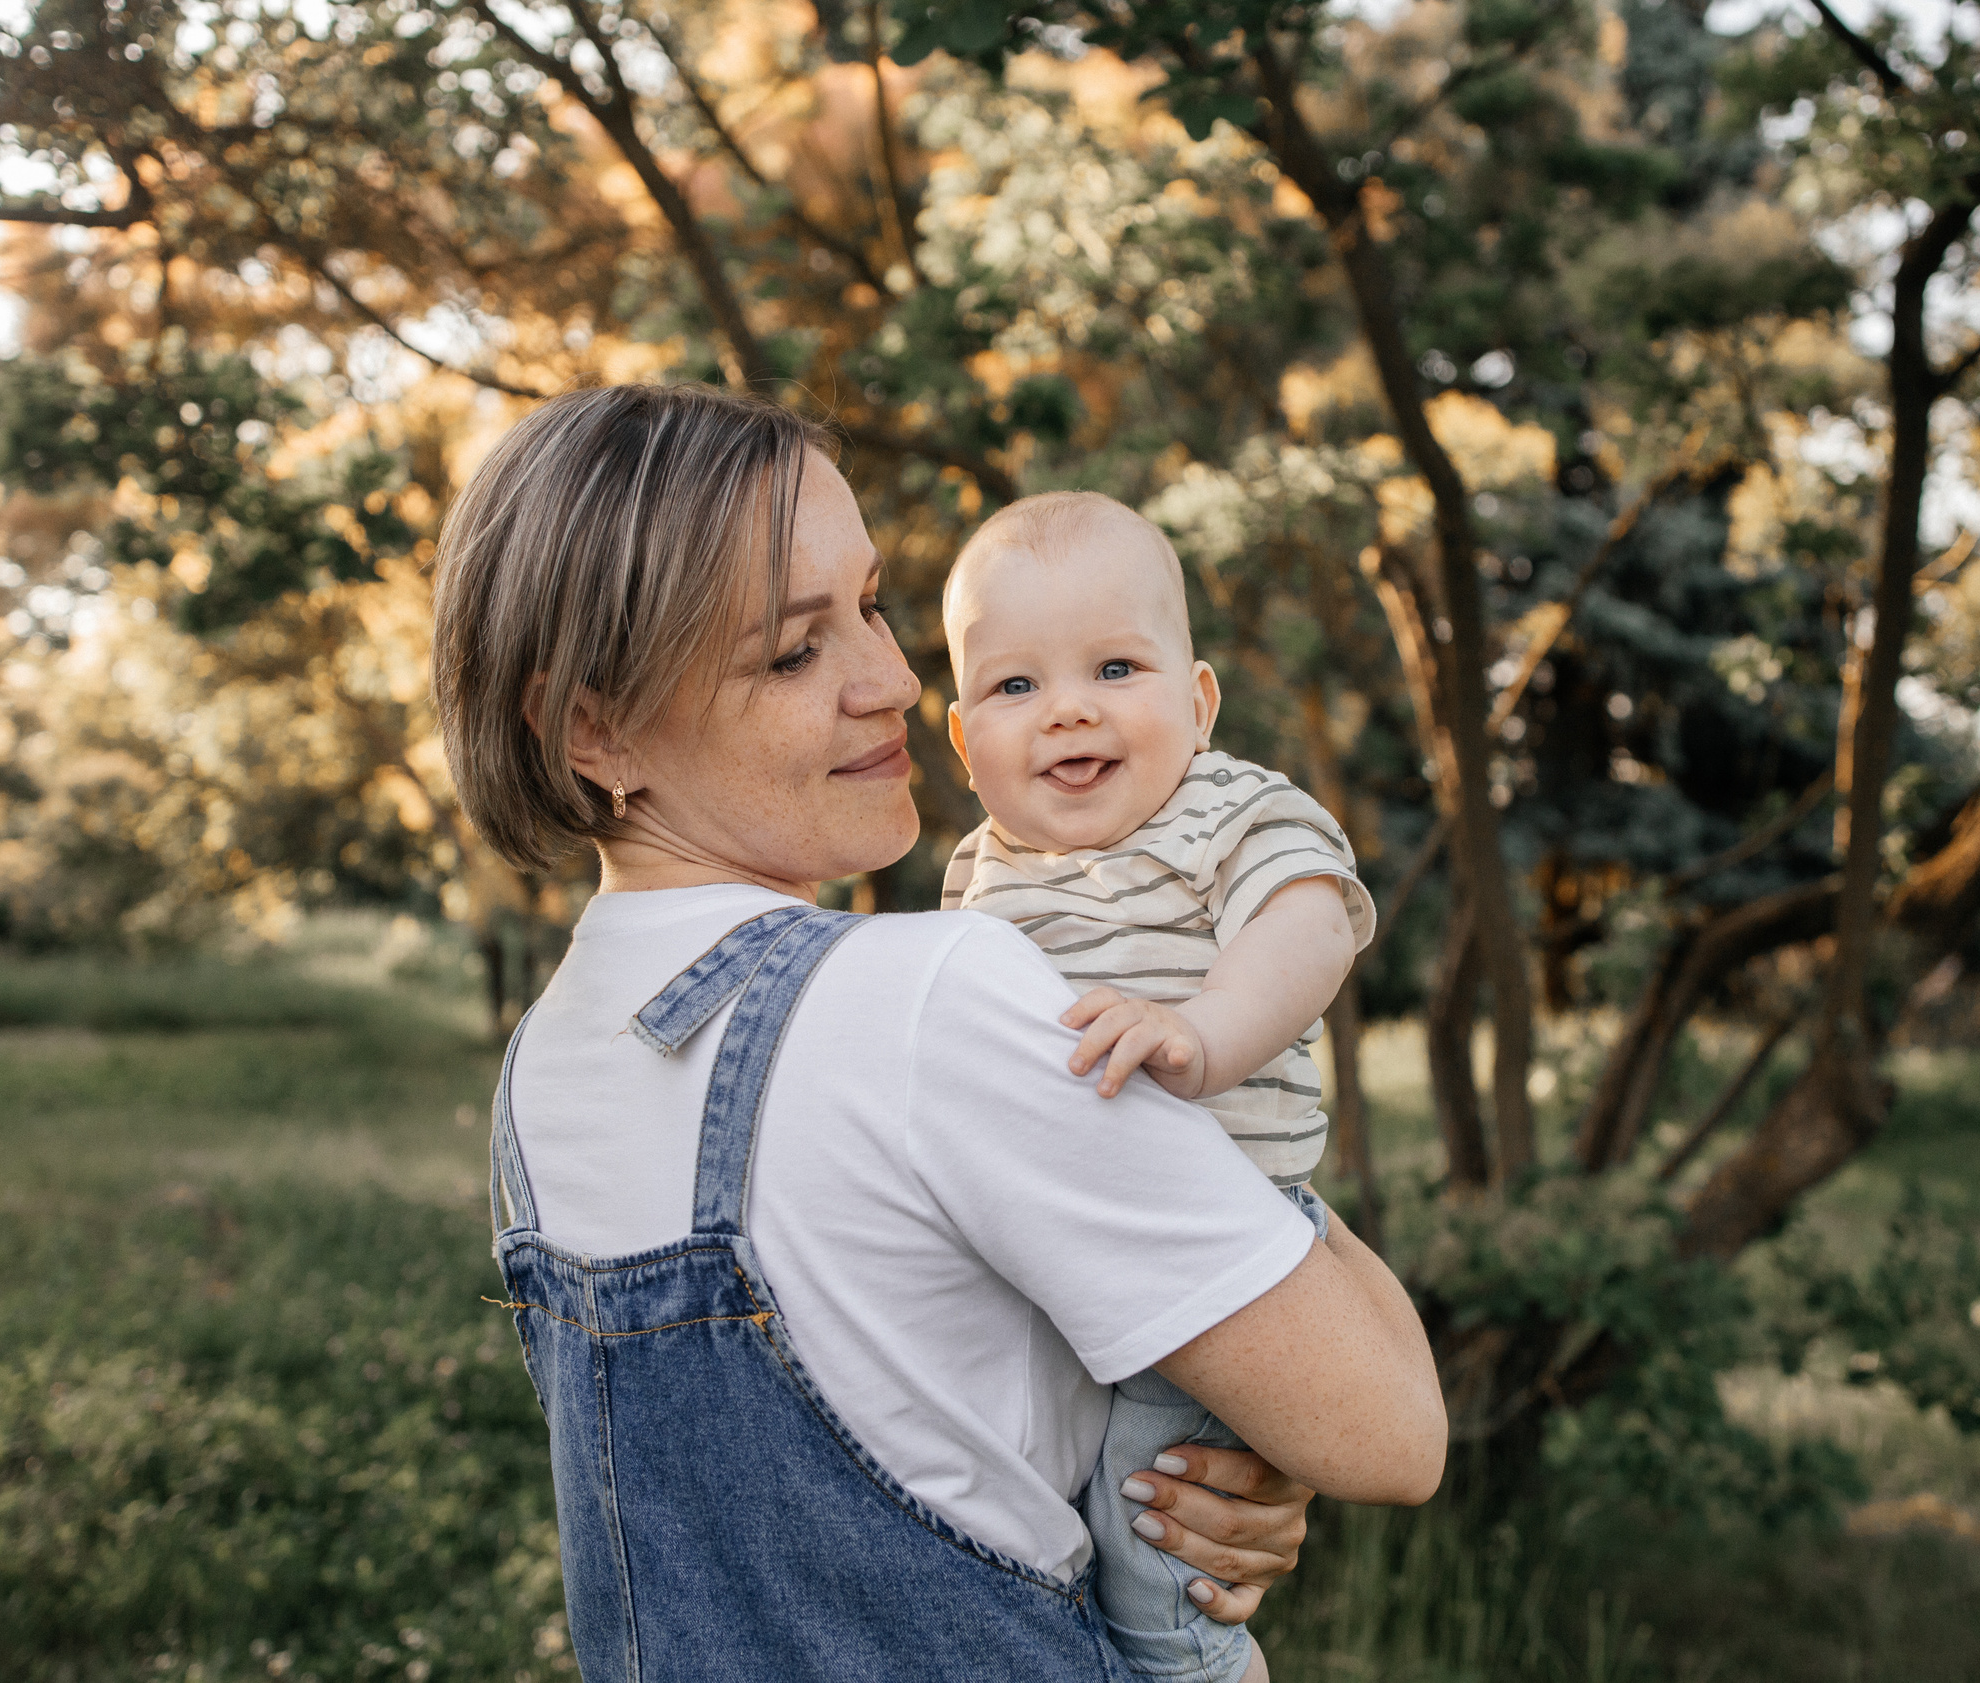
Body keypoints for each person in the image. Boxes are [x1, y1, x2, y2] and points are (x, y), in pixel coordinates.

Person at [431, 383, 1444, 1683]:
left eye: (873, 605)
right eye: (797, 648)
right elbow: (1391, 1426)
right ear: (593, 727)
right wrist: (1262, 1235)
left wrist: (1181, 1465)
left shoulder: (542, 1061)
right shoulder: (931, 994)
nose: (893, 681)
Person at [941, 492, 1371, 1683]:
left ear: (1198, 702)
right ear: (965, 740)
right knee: (1057, 1516)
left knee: (1155, 1533)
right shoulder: (978, 871)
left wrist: (1204, 1029)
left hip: (1213, 1242)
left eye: (1115, 667)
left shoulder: (1221, 808)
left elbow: (1309, 922)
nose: (1068, 707)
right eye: (1015, 687)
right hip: (1070, 1258)